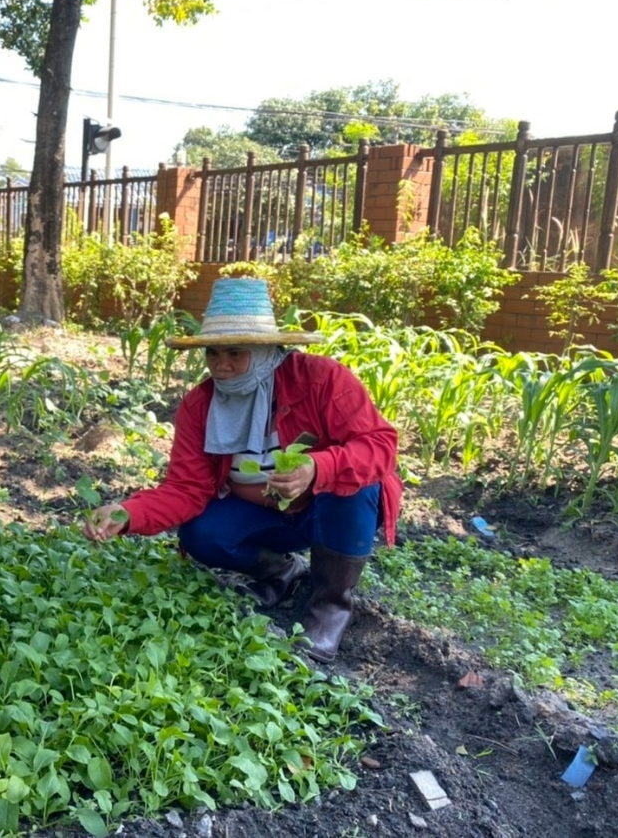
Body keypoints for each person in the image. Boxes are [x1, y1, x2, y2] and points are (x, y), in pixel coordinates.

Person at [82, 277, 402, 662]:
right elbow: (185, 488)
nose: (223, 366)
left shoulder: (321, 380)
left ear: (265, 350)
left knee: (356, 485)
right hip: (265, 514)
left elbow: (379, 445)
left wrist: (317, 468)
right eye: (213, 354)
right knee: (202, 533)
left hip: (326, 508)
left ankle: (329, 606)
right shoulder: (201, 406)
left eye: (235, 353)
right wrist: (126, 513)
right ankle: (282, 573)